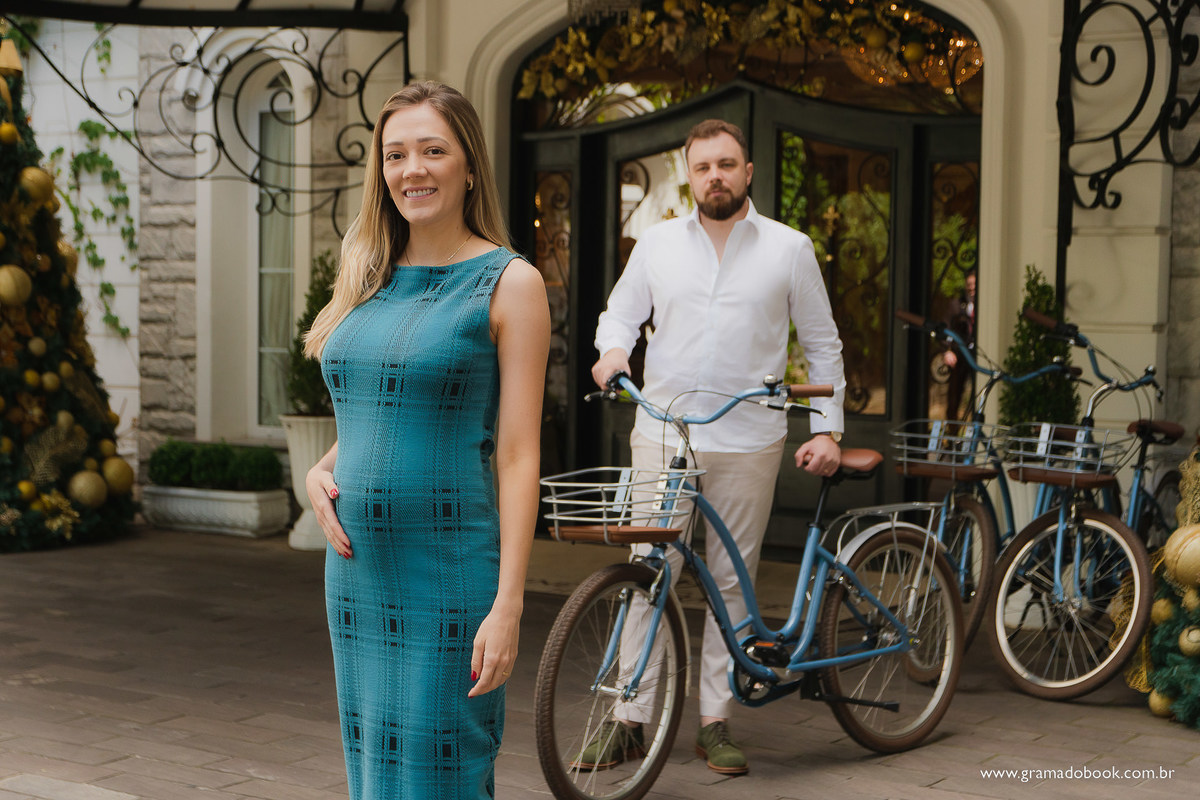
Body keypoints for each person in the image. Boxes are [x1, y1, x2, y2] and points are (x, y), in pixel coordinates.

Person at [302, 81, 549, 799]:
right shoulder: (367, 276)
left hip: (448, 574)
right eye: (396, 154)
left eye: (433, 151)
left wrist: (508, 605)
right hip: (357, 579)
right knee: (373, 767)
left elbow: (517, 452)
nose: (413, 169)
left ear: (469, 165)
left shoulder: (510, 283)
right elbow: (376, 407)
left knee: (443, 772)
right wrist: (320, 470)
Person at [589, 119, 846, 775]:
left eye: (727, 164)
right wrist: (613, 351)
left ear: (748, 170)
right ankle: (627, 719)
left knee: (733, 583)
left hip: (749, 437)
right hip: (662, 433)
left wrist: (827, 429)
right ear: (688, 172)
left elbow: (822, 344)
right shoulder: (657, 243)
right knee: (647, 575)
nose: (716, 177)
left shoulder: (789, 249)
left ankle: (715, 721)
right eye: (704, 166)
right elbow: (619, 313)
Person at [941, 269, 976, 420]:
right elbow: (945, 329)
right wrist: (947, 351)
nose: (972, 287)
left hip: (978, 356)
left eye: (975, 283)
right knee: (954, 397)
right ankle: (952, 434)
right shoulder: (956, 305)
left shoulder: (987, 304)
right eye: (969, 284)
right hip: (960, 355)